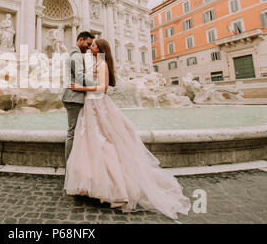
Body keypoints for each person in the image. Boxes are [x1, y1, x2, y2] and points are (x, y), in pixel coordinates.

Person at [64, 38, 191, 220]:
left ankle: (112, 188)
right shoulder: (96, 63)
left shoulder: (102, 65)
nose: (89, 46)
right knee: (91, 143)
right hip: (91, 107)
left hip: (98, 105)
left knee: (104, 143)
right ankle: (91, 184)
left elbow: (103, 88)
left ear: (100, 49)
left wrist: (80, 87)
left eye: (92, 45)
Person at [61, 31, 96, 163]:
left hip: (71, 96)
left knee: (74, 131)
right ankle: (69, 165)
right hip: (73, 97)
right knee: (72, 132)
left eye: (91, 45)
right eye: (88, 43)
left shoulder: (72, 54)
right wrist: (98, 85)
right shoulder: (76, 56)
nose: (89, 47)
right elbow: (80, 76)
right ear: (80, 40)